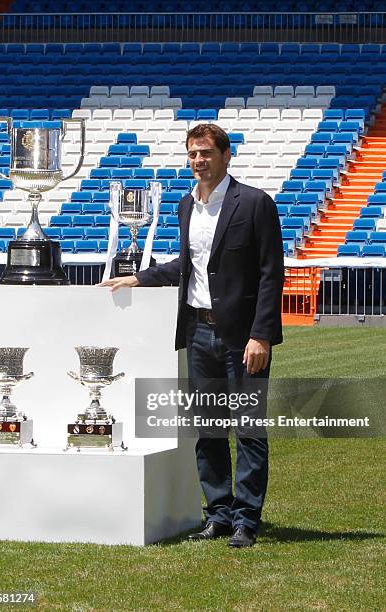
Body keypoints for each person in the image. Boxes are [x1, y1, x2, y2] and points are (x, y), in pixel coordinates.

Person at [98, 124, 284, 547]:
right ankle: (218, 512)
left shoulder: (255, 203)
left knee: (248, 428)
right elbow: (188, 264)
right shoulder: (186, 206)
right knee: (208, 428)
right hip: (199, 332)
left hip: (243, 338)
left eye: (206, 153)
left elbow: (272, 274)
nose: (198, 161)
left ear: (226, 155)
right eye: (192, 154)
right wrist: (140, 278)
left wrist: (262, 335)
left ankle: (246, 520)